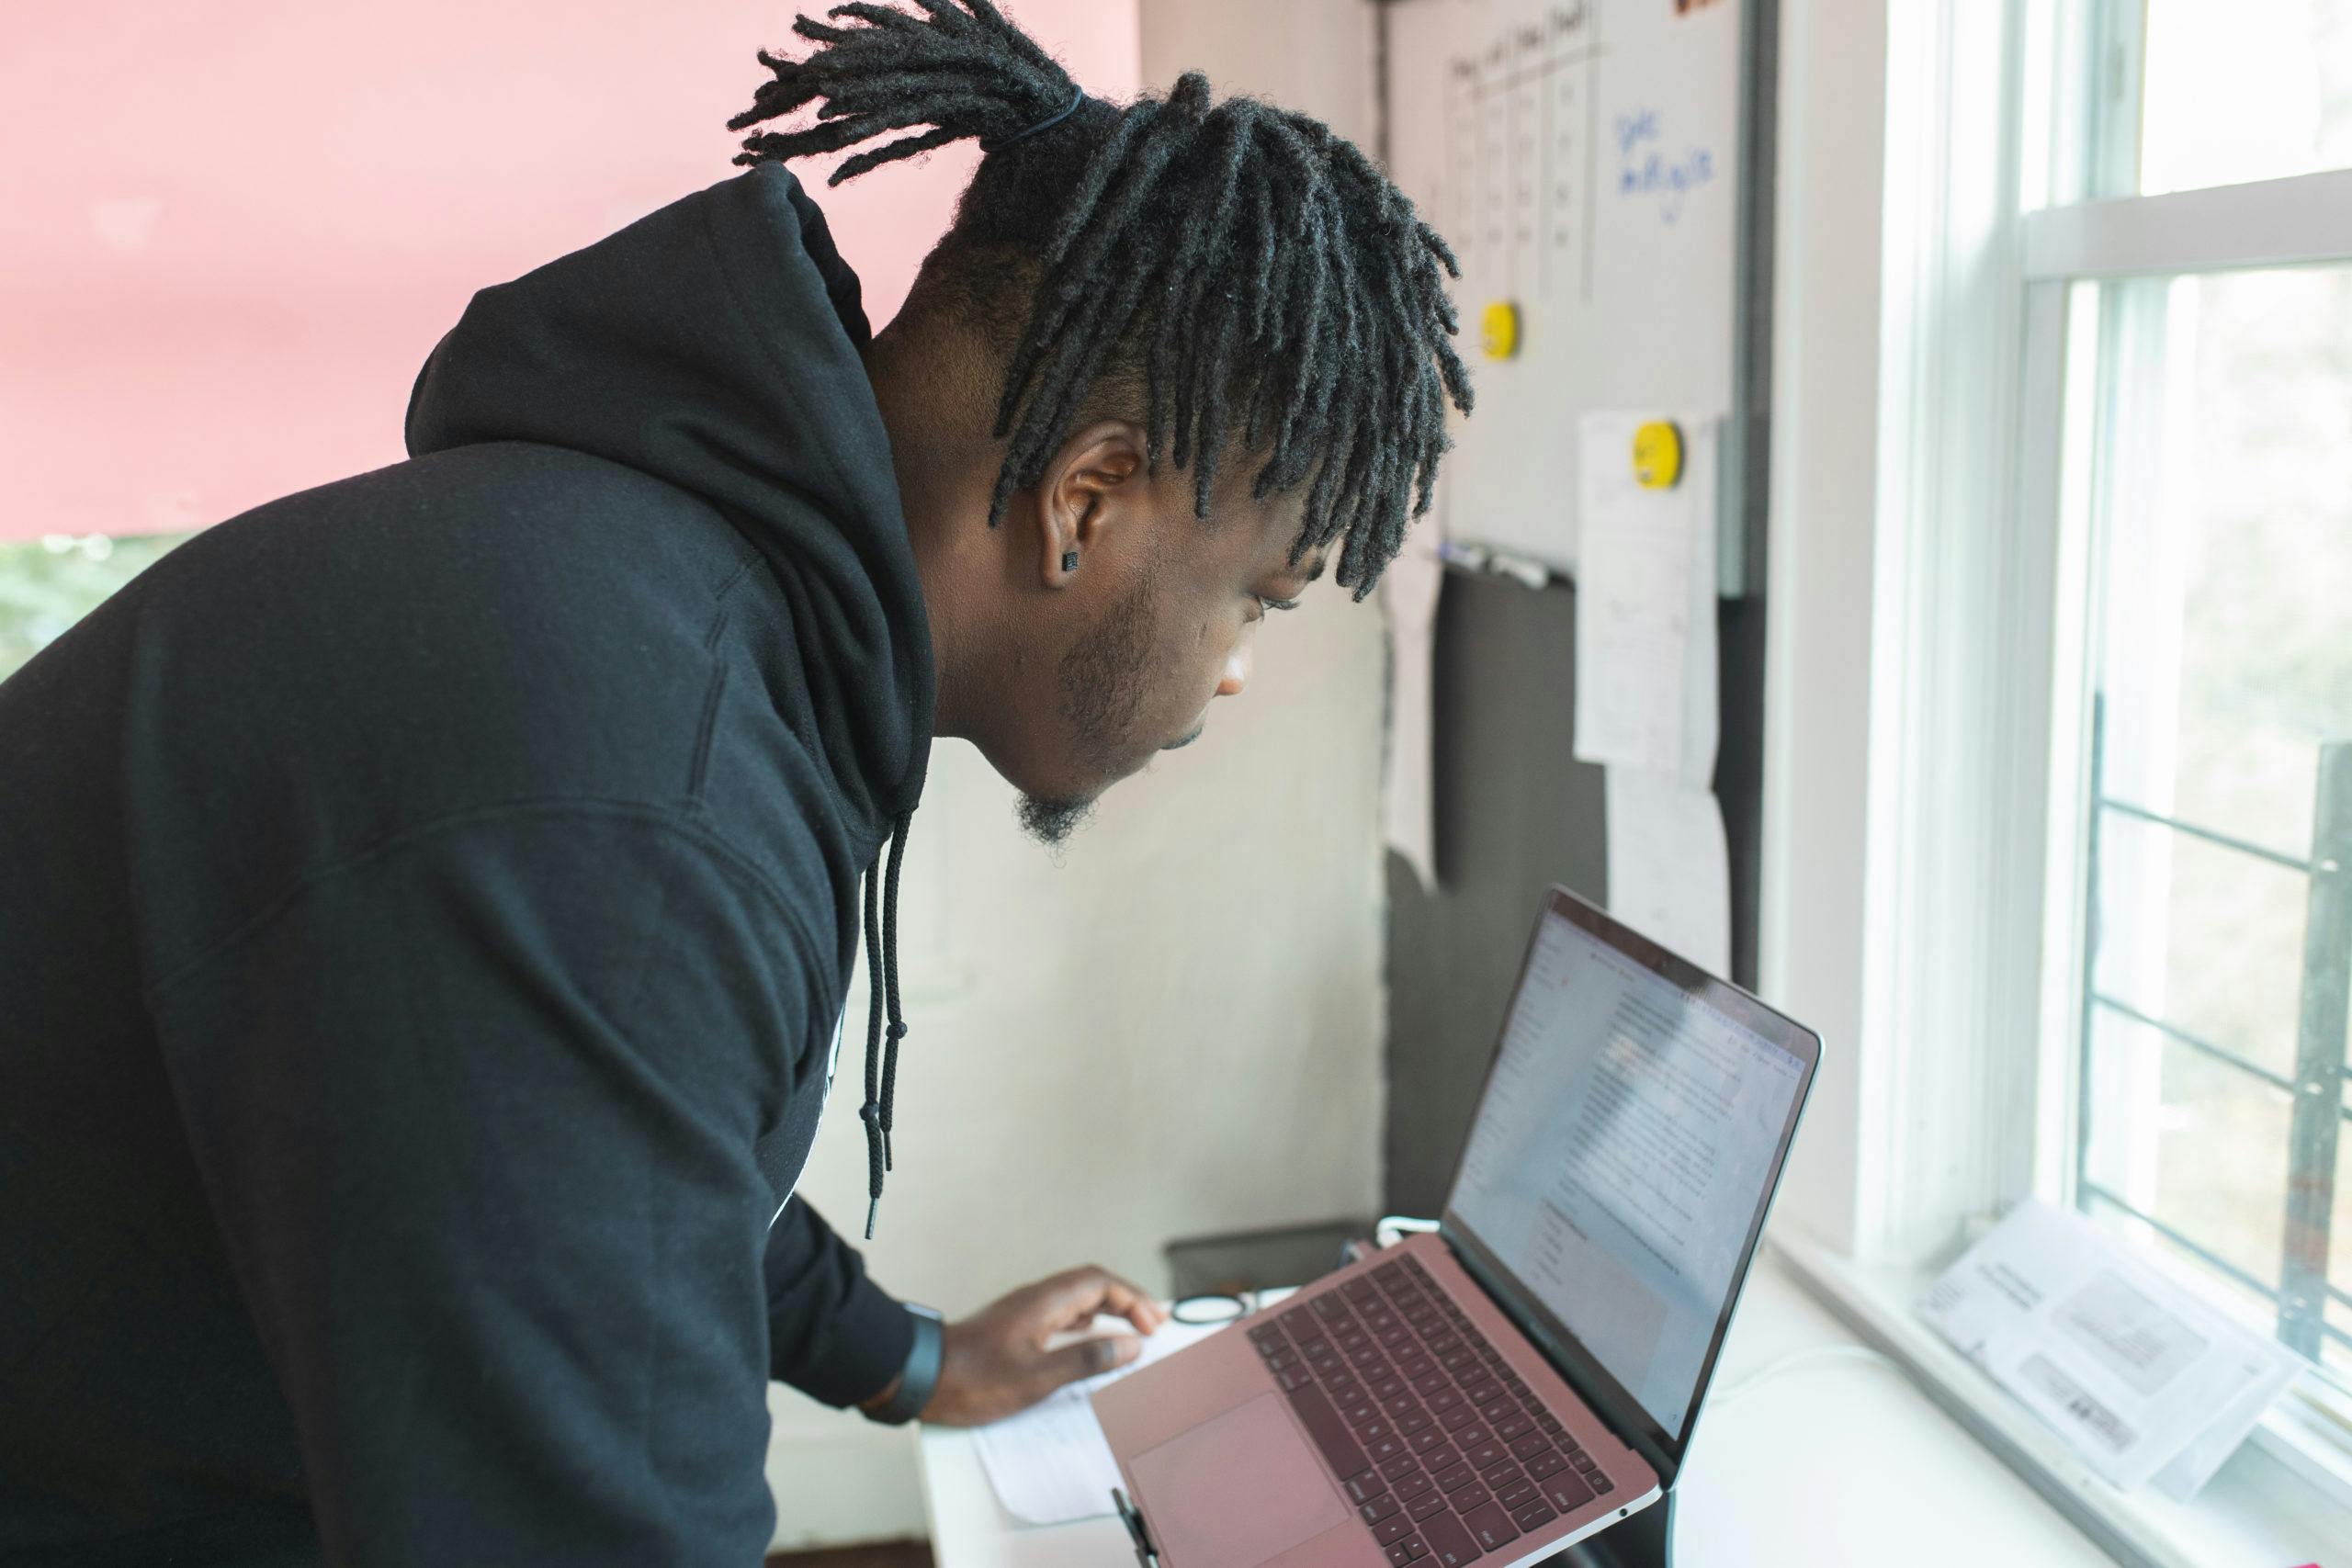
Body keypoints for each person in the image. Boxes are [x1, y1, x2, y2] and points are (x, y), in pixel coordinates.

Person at [0, 2, 1471, 1562]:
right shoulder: (625, 801)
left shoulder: (673, 598)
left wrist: (907, 1359)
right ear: (1087, 501)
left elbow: (625, 1154)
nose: (1236, 669)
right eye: (1260, 596)